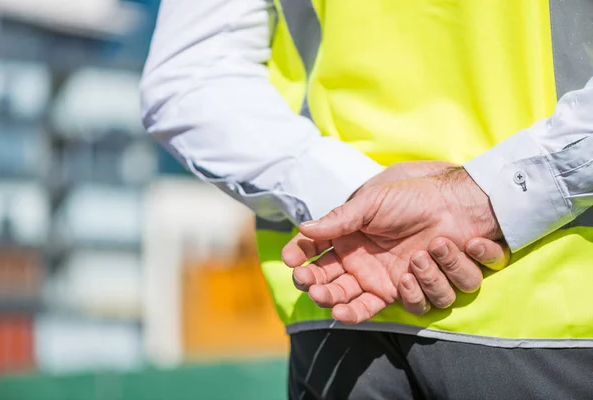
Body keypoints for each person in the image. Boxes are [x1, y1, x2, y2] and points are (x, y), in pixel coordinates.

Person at [141, 0, 593, 398]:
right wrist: (478, 196)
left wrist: (353, 195)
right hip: (556, 322)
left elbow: (190, 80)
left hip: (342, 319)